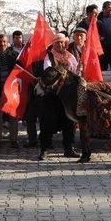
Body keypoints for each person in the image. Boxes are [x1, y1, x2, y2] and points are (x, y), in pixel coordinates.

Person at [38, 33, 79, 161]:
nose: (60, 44)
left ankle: (69, 148)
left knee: (69, 122)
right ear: (53, 44)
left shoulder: (70, 56)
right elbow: (49, 73)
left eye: (62, 42)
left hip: (67, 96)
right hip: (52, 96)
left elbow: (76, 72)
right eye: (57, 42)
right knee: (47, 123)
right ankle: (44, 150)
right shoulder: (48, 57)